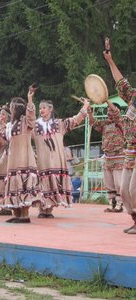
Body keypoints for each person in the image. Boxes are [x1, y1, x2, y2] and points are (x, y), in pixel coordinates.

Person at [32, 99, 90, 218]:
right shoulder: (35, 126)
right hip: (43, 161)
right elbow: (26, 124)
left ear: (50, 109)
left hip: (56, 160)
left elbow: (75, 120)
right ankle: (43, 209)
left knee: (54, 183)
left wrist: (85, 106)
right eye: (40, 108)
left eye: (44, 107)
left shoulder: (59, 124)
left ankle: (49, 209)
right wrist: (29, 101)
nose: (41, 110)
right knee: (43, 183)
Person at [0, 88, 42, 223]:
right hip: (13, 160)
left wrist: (29, 100)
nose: (10, 110)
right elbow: (3, 138)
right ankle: (17, 214)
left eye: (12, 107)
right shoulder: (11, 125)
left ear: (17, 109)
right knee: (14, 185)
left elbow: (32, 116)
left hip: (24, 158)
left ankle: (24, 216)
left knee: (23, 185)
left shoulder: (25, 122)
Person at [103, 49, 136, 234]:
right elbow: (121, 81)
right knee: (124, 190)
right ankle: (134, 220)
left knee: (134, 189)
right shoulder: (133, 97)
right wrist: (110, 60)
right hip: (130, 150)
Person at [88, 101, 125, 212]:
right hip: (108, 157)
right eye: (108, 111)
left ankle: (120, 204)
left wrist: (106, 99)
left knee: (119, 182)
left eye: (111, 110)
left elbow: (116, 113)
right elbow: (93, 123)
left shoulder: (121, 123)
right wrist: (90, 113)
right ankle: (111, 203)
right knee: (109, 183)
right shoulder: (105, 124)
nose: (109, 112)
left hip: (118, 156)